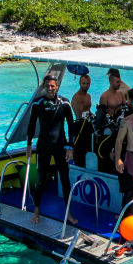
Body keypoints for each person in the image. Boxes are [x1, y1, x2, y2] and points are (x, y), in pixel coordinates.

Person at [26, 74, 76, 225]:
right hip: (44, 145)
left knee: (65, 180)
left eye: (52, 86)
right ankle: (36, 210)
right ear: (43, 87)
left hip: (60, 145)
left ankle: (68, 213)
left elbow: (71, 126)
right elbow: (32, 125)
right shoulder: (37, 103)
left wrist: (70, 147)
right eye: (47, 86)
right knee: (41, 179)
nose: (50, 88)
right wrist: (29, 144)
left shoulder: (65, 103)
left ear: (57, 87)